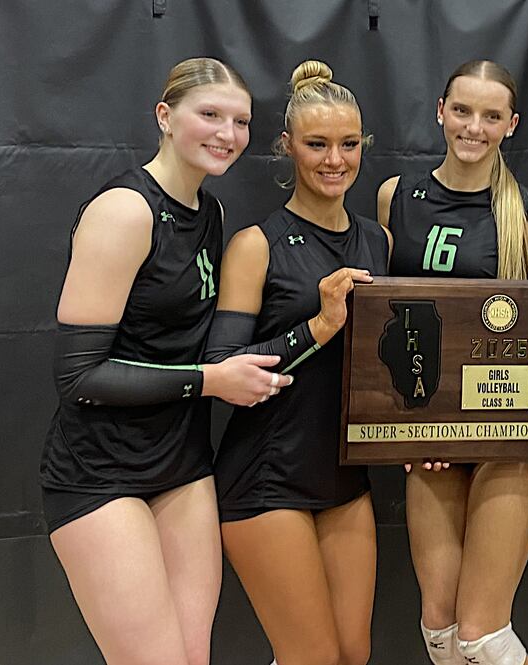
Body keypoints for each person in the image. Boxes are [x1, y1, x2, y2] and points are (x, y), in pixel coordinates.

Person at [38, 58, 292, 665]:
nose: (227, 134)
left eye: (241, 121)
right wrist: (209, 381)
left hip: (180, 464)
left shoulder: (212, 213)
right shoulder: (125, 211)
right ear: (164, 116)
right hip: (100, 472)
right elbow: (78, 376)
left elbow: (211, 351)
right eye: (210, 115)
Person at [377, 59, 528, 665]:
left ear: (511, 124)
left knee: (481, 637)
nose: (474, 126)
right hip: (429, 431)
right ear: (440, 111)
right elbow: (385, 324)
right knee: (439, 629)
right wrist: (404, 427)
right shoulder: (397, 198)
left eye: (491, 115)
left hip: (509, 430)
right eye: (462, 110)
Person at [204, 60, 389, 665]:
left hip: (343, 475)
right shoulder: (255, 245)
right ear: (287, 147)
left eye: (348, 144)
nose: (334, 159)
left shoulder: (377, 241)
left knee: (352, 654)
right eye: (316, 144)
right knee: (312, 657)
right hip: (266, 474)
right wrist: (319, 324)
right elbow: (224, 368)